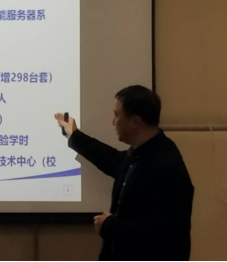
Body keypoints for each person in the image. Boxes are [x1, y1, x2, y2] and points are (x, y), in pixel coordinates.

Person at [55, 85, 194, 262]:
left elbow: (164, 234)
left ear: (135, 121)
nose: (113, 122)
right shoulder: (141, 153)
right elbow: (110, 159)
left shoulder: (166, 166)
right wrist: (74, 135)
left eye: (117, 115)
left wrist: (111, 225)